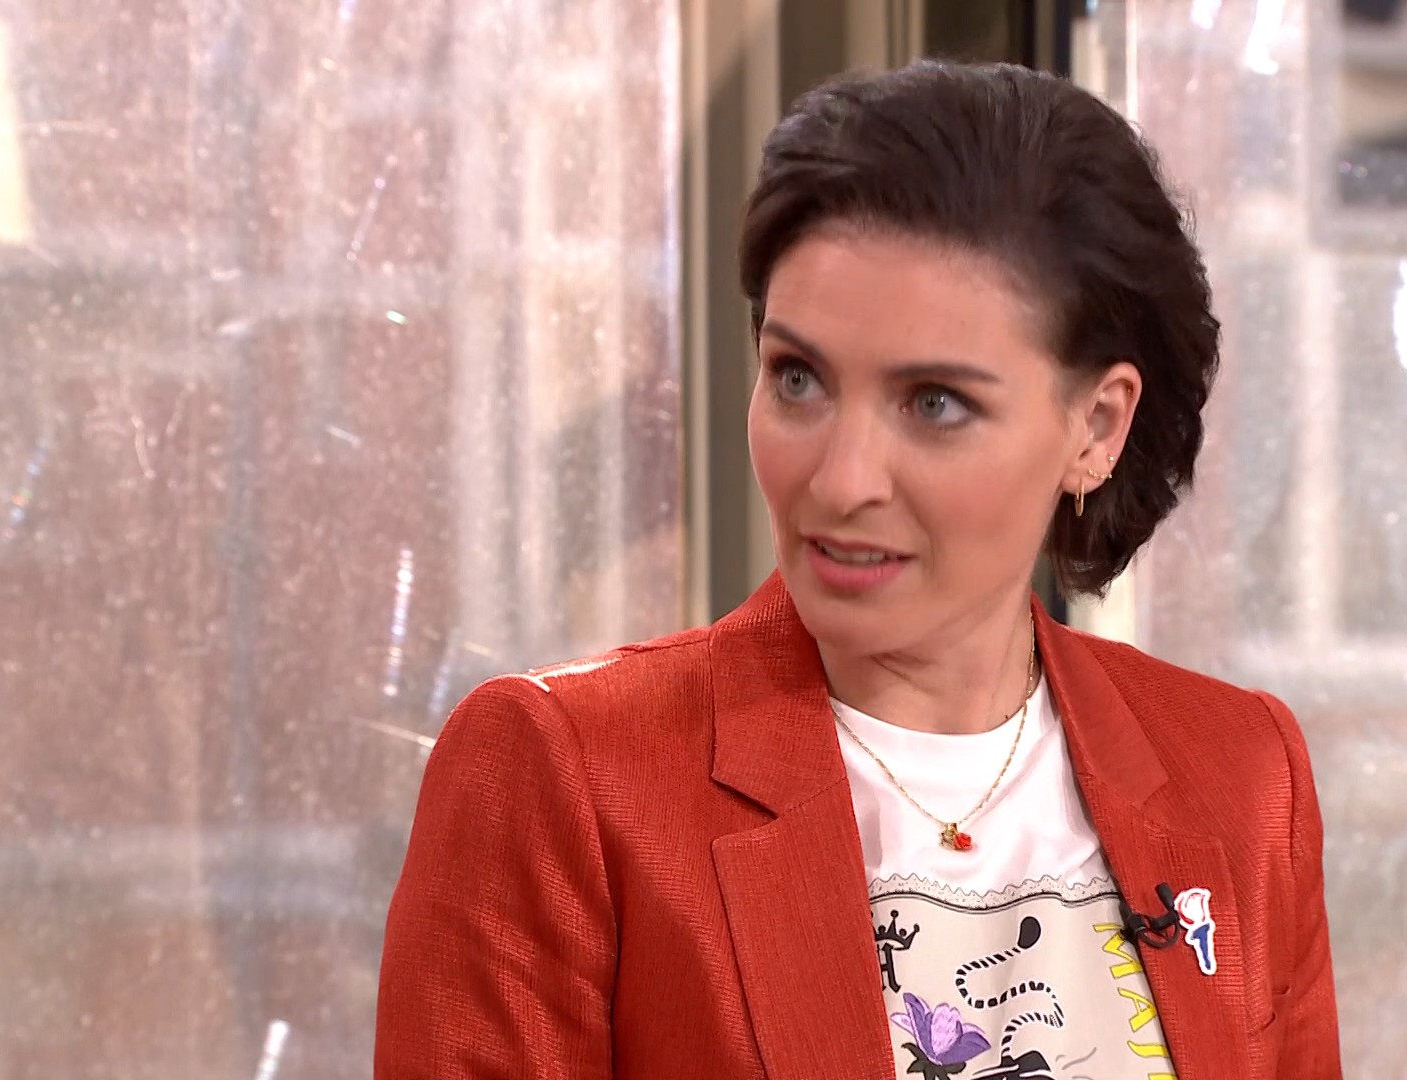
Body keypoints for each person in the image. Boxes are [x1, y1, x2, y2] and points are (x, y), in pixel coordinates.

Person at [376, 60, 1340, 1080]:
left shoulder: (1242, 776)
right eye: (799, 379)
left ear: (1096, 428)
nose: (840, 481)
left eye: (934, 404)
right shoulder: (564, 777)